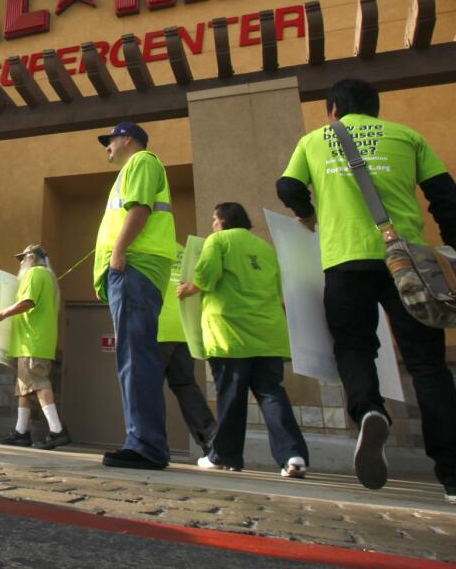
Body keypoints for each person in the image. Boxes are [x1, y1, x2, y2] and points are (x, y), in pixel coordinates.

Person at [276, 77, 456, 505]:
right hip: (408, 263)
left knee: (353, 345)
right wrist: (453, 252)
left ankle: (368, 408)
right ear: (376, 109)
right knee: (428, 365)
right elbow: (449, 198)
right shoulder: (407, 137)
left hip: (345, 261)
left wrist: (308, 214)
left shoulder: (315, 141)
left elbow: (288, 187)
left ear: (333, 109)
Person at [177, 203, 309, 477]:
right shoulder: (265, 248)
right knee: (271, 393)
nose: (212, 224)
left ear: (223, 219)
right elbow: (278, 291)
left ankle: (225, 456)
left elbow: (206, 276)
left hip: (230, 334)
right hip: (268, 335)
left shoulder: (218, 241)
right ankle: (293, 455)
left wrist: (188, 289)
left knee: (231, 397)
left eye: (214, 219)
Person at [93, 121, 177, 470]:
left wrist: (118, 253)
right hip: (133, 270)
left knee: (135, 358)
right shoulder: (135, 168)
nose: (107, 147)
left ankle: (145, 445)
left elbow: (139, 210)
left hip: (134, 267)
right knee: (135, 356)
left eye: (109, 140)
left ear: (127, 138)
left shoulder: (142, 162)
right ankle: (143, 441)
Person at [0, 244, 70, 450]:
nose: (20, 262)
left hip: (32, 341)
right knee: (24, 389)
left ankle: (57, 430)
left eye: (23, 258)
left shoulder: (35, 273)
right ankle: (21, 432)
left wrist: (2, 314)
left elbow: (27, 302)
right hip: (34, 341)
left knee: (38, 383)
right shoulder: (49, 277)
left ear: (32, 257)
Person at [157, 241, 218, 459]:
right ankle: (211, 438)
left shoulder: (151, 248)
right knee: (185, 386)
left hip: (158, 328)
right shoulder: (185, 252)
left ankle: (152, 444)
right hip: (184, 331)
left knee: (148, 387)